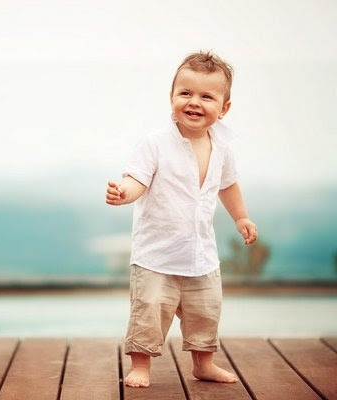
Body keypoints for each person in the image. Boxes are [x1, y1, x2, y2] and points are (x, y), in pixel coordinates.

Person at [105, 51, 257, 388]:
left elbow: (228, 185)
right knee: (148, 311)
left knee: (205, 312)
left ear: (224, 108)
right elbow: (137, 179)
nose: (194, 102)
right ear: (171, 97)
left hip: (201, 255)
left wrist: (241, 217)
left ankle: (204, 364)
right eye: (185, 93)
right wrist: (123, 193)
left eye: (207, 97)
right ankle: (141, 365)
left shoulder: (222, 148)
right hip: (156, 257)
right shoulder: (155, 144)